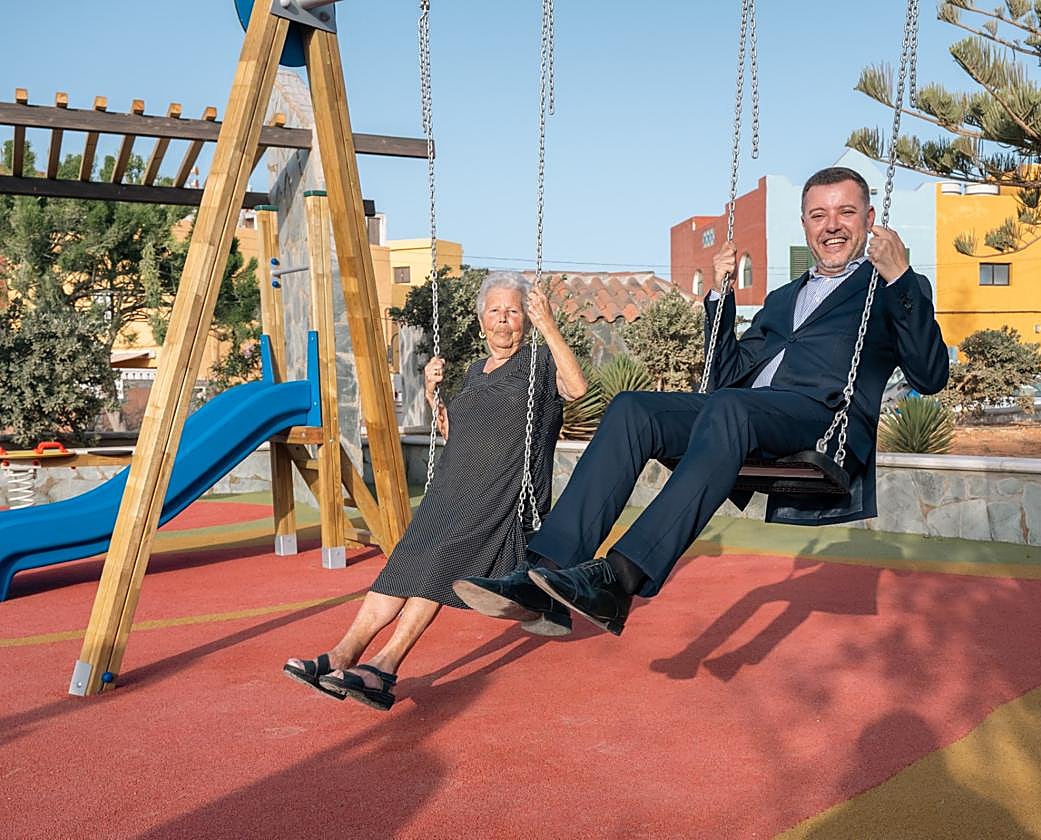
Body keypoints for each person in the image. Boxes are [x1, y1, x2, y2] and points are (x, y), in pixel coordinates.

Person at [454, 166, 948, 637]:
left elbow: (930, 375)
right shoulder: (783, 298)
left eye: (845, 212)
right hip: (743, 413)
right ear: (805, 224)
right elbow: (727, 374)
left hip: (819, 420)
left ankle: (620, 578)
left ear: (869, 218)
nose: (832, 225)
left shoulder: (891, 287)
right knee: (632, 409)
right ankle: (545, 571)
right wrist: (719, 296)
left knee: (730, 407)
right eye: (819, 215)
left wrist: (900, 277)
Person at [284, 271, 587, 710]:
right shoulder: (475, 371)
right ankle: (343, 653)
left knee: (436, 565)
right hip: (450, 489)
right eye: (495, 311)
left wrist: (549, 326)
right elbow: (457, 434)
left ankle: (385, 666)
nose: (504, 319)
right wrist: (433, 397)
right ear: (481, 320)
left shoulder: (539, 362)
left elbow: (576, 389)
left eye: (514, 311)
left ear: (528, 317)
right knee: (402, 566)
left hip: (499, 497)